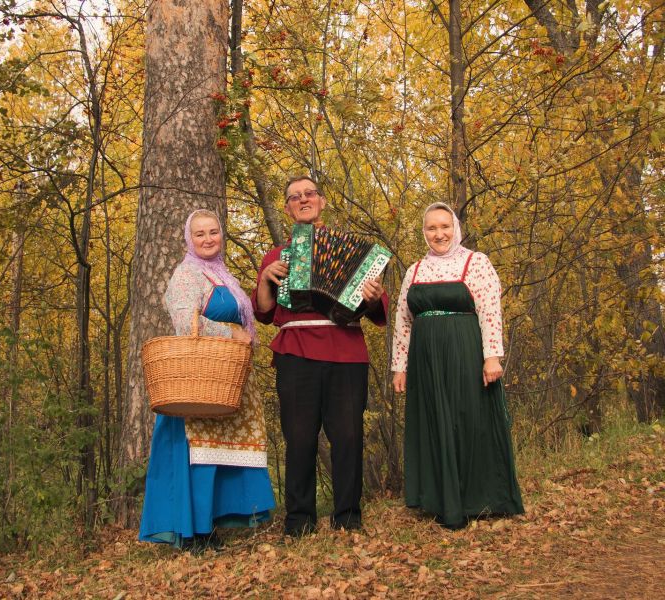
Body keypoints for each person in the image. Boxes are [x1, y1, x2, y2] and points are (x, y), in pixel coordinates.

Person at [253, 176, 388, 536]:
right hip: (295, 351)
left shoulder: (353, 251)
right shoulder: (276, 256)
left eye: (309, 194)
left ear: (322, 201)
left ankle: (348, 517)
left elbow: (377, 312)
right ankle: (299, 520)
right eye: (295, 197)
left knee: (347, 436)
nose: (303, 200)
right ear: (287, 208)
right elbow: (263, 312)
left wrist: (374, 295)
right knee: (299, 438)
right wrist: (266, 278)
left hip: (345, 351)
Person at [139, 209, 275, 551]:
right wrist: (230, 332)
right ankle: (194, 531)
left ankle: (212, 524)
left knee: (220, 453)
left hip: (226, 374)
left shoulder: (221, 275)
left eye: (213, 232)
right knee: (199, 454)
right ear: (189, 238)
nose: (208, 239)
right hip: (199, 377)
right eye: (200, 234)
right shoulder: (186, 274)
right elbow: (186, 324)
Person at [391, 202, 524, 529]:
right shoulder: (415, 270)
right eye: (432, 228)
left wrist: (492, 355)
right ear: (424, 232)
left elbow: (491, 310)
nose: (439, 234)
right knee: (435, 421)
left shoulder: (476, 263)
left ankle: (477, 498)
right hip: (425, 360)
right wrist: (400, 366)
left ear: (456, 228)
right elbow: (403, 321)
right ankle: (439, 500)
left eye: (444, 227)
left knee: (467, 419)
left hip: (465, 352)